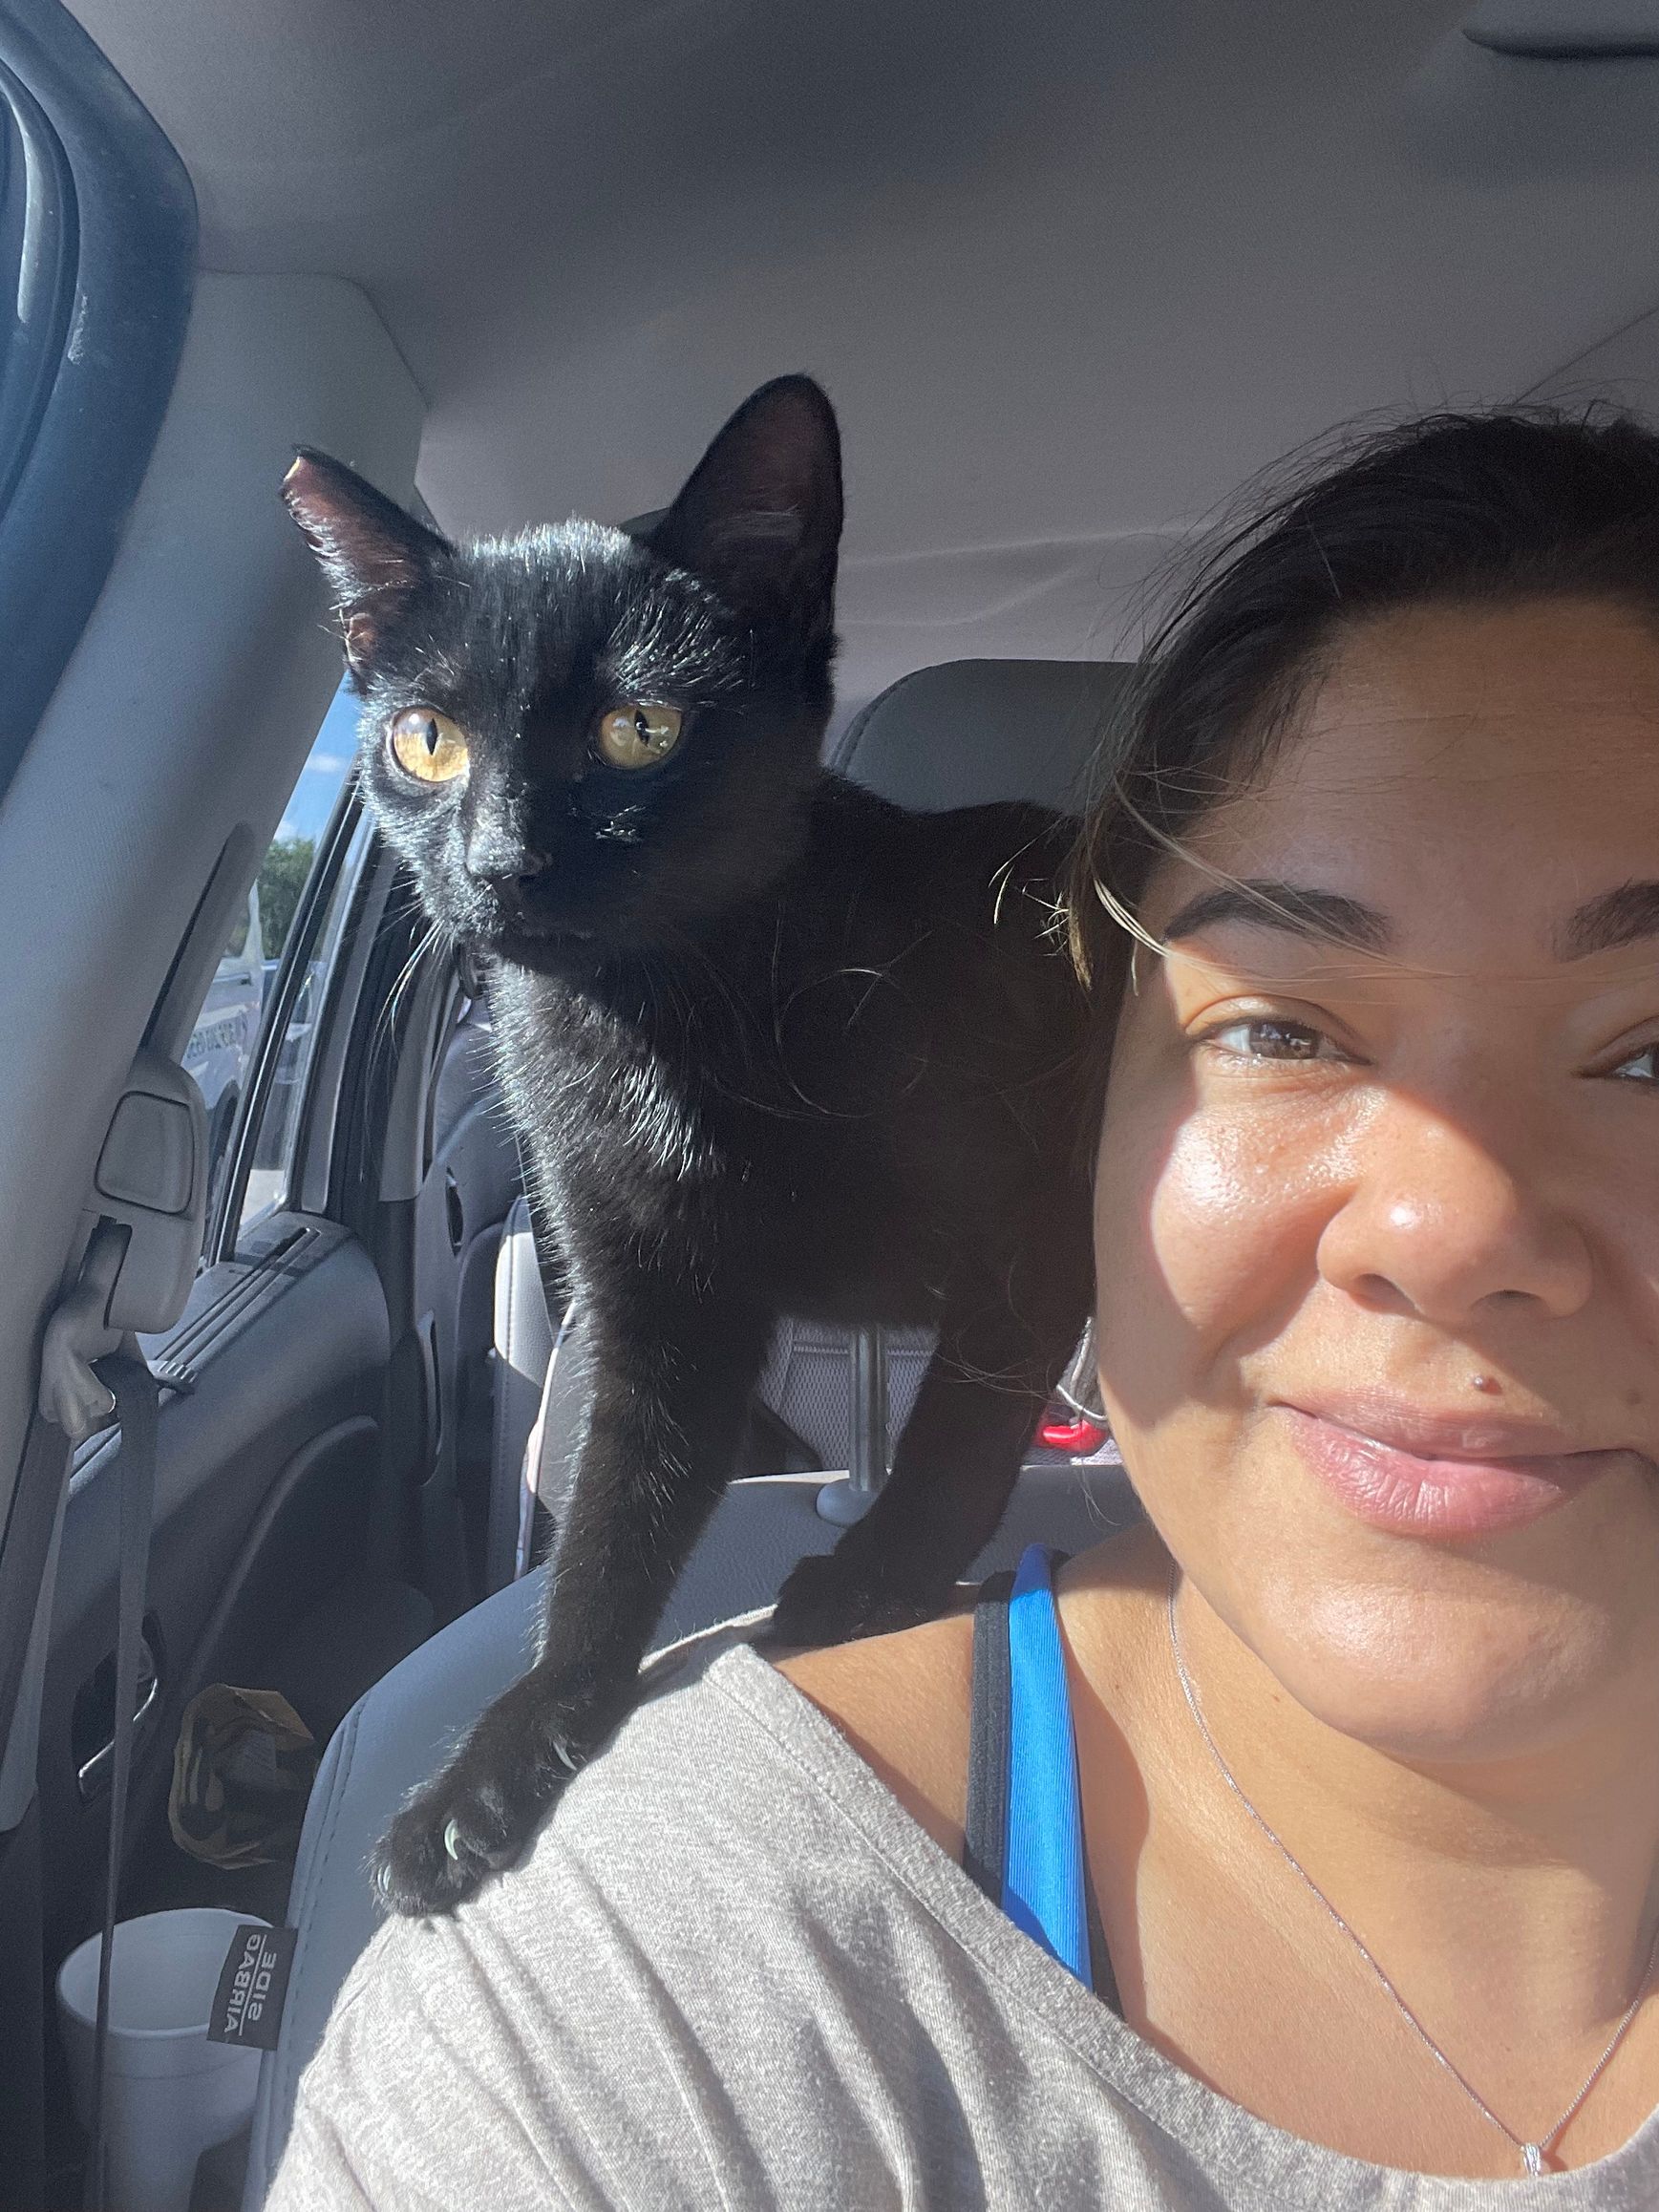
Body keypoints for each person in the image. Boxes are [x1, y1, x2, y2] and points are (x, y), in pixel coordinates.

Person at [266, 408, 1659, 2206]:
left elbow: (1020, 1272)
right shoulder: (650, 1995)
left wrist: (916, 1540)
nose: (1451, 1229)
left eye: (1648, 1050)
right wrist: (572, 1684)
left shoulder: (935, 975)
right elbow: (666, 1362)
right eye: (1281, 1024)